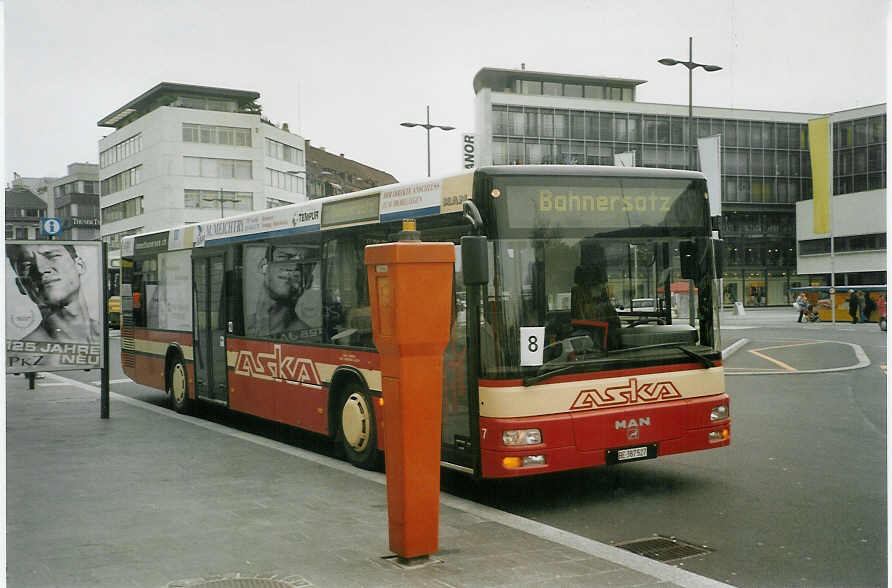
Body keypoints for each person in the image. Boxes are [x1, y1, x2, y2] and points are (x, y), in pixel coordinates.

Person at [7, 243, 101, 344]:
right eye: (26, 265)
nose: (41, 269)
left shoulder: (106, 338)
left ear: (79, 265)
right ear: (21, 286)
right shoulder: (23, 356)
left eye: (52, 256)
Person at [246, 244, 317, 340]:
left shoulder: (311, 339)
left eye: (305, 263)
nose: (295, 266)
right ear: (263, 266)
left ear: (309, 280)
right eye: (284, 257)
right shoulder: (242, 325)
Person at [570, 263, 621, 350]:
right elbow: (585, 321)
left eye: (603, 284)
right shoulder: (579, 296)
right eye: (598, 285)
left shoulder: (602, 299)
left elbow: (614, 320)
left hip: (609, 339)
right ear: (588, 285)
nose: (602, 287)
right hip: (593, 340)